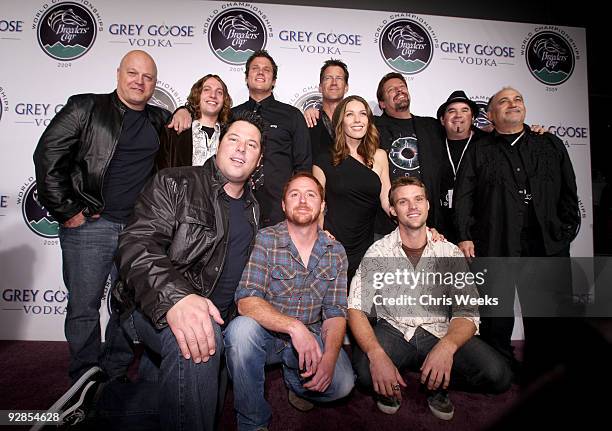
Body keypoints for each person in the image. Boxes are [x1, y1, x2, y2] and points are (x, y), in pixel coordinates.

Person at [114, 111, 264, 431]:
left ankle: (100, 402)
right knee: (200, 340)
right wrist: (178, 299)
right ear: (219, 145)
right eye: (234, 139)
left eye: (251, 145)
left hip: (221, 317)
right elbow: (136, 244)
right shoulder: (175, 181)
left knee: (187, 400)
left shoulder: (254, 208)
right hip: (152, 304)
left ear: (258, 160)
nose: (241, 149)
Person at [33, 50, 170, 388]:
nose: (139, 81)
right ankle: (85, 377)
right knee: (84, 306)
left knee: (127, 306)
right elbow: (47, 156)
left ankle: (116, 370)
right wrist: (67, 211)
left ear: (155, 83)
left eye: (148, 77)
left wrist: (182, 111)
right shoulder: (86, 108)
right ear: (118, 73)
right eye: (133, 73)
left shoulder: (159, 119)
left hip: (137, 232)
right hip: (92, 225)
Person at [348, 177, 512, 420]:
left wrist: (447, 347)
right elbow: (356, 309)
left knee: (499, 375)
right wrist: (377, 355)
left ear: (427, 205)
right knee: (363, 371)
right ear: (393, 210)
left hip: (439, 330)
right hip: (394, 330)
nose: (412, 206)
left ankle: (438, 382)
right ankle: (401, 371)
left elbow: (467, 311)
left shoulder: (449, 251)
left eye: (418, 199)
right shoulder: (379, 251)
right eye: (403, 201)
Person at [453, 86, 581, 376]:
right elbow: (464, 195)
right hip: (496, 242)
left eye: (518, 99)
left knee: (547, 312)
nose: (513, 104)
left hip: (546, 244)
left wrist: (564, 229)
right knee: (495, 317)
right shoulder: (479, 148)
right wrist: (464, 234)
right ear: (491, 114)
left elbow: (568, 192)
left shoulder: (549, 143)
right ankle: (501, 370)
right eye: (504, 101)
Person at [224, 172, 354, 431]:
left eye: (311, 195)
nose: (303, 200)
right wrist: (295, 328)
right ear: (284, 205)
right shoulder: (266, 239)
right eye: (294, 195)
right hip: (268, 336)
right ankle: (252, 421)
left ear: (322, 205)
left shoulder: (336, 252)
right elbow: (246, 300)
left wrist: (329, 357)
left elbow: (335, 310)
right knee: (239, 331)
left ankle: (296, 382)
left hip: (311, 338)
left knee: (343, 384)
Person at [170, 50, 312, 227]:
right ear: (246, 77)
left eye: (266, 70)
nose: (260, 72)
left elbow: (303, 166)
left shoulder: (292, 115)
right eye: (255, 68)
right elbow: (206, 115)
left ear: (274, 80)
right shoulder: (230, 115)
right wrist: (184, 110)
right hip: (232, 207)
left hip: (278, 210)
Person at [313, 95, 391, 282]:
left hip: (367, 244)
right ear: (340, 122)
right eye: (350, 114)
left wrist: (416, 222)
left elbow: (387, 200)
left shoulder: (379, 156)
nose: (357, 120)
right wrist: (321, 234)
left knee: (361, 306)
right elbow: (316, 205)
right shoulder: (324, 160)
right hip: (332, 244)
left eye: (362, 114)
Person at [373, 72, 445, 238]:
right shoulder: (373, 127)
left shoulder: (431, 126)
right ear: (382, 103)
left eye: (402, 87)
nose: (399, 91)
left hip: (426, 223)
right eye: (392, 89)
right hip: (385, 225)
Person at [436, 90, 485, 243]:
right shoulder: (432, 142)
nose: (458, 115)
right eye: (452, 111)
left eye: (465, 110)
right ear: (443, 120)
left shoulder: (487, 145)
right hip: (441, 230)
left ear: (473, 118)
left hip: (478, 228)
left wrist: (532, 130)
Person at [156, 74, 232, 169]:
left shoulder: (230, 134)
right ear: (197, 95)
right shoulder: (176, 130)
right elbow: (162, 171)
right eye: (207, 90)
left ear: (224, 100)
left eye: (219, 92)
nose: (213, 95)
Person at [305, 59, 350, 159]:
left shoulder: (356, 121)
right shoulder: (309, 121)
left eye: (339, 78)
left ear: (346, 87)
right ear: (320, 87)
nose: (334, 83)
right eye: (328, 78)